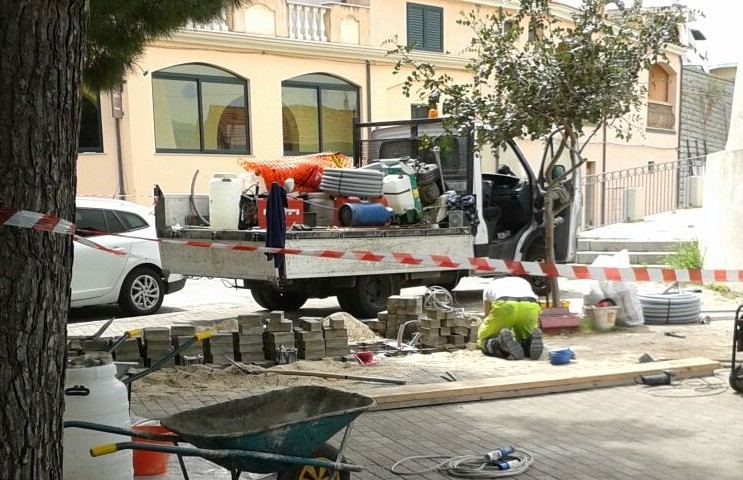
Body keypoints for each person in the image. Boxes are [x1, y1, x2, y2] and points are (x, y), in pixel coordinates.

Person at [477, 276, 543, 360]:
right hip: (529, 305)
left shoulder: (490, 286)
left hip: (505, 305)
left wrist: (489, 329)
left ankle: (498, 345)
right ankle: (527, 344)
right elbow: (536, 310)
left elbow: (487, 314)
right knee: (524, 336)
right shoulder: (522, 280)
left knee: (483, 340)